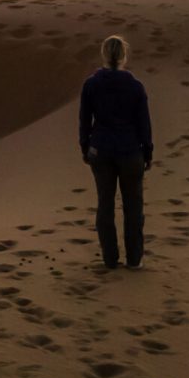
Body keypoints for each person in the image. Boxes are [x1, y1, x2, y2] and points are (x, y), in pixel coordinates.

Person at [78, 35, 153, 269]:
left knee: (105, 205)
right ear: (123, 56)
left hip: (101, 150)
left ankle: (110, 259)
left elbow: (84, 120)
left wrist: (85, 146)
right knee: (133, 207)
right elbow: (144, 124)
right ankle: (134, 259)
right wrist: (148, 152)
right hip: (130, 151)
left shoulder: (92, 85)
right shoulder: (135, 86)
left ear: (104, 54)